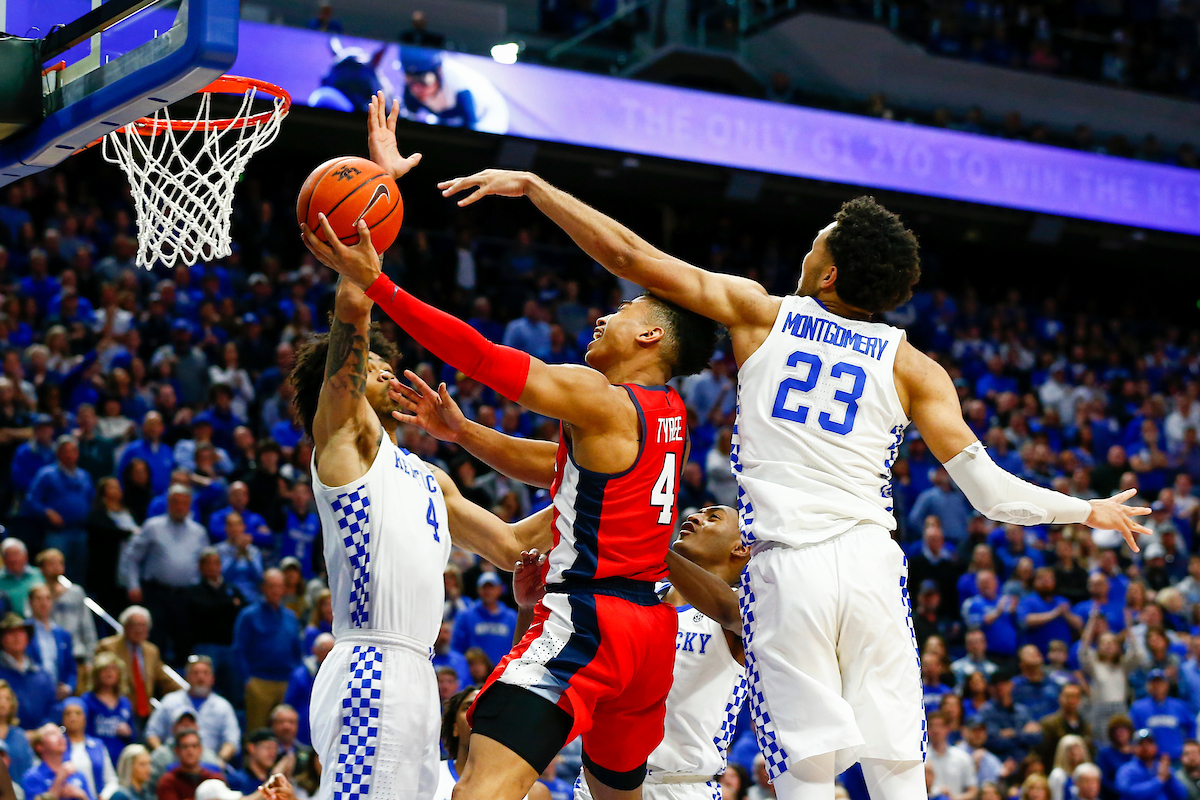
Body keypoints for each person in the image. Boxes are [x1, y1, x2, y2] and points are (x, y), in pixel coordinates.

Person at [433, 168, 1151, 800]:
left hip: (787, 566)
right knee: (897, 761)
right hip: (871, 561)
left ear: (828, 274)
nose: (806, 250)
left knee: (804, 768)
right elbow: (990, 494)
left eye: (816, 243)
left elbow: (630, 257)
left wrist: (537, 189)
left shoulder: (761, 313)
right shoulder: (914, 365)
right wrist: (1085, 510)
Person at [312, 94, 718, 800]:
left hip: (589, 621)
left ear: (652, 336)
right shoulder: (667, 417)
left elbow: (481, 357)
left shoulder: (600, 397)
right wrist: (464, 434)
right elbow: (562, 469)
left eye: (624, 310)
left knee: (479, 788)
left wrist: (380, 284)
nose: (604, 316)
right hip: (649, 636)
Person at [290, 137, 556, 800]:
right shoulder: (343, 444)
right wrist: (376, 192)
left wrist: (612, 483)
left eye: (387, 362)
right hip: (369, 662)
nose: (383, 368)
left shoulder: (427, 477)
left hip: (417, 673)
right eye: (370, 365)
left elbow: (511, 546)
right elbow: (353, 310)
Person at [568, 504, 750, 799]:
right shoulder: (634, 596)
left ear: (741, 548)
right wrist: (526, 609)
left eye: (713, 517)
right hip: (602, 781)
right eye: (698, 513)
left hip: (682, 786)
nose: (694, 517)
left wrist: (653, 546)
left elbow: (732, 614)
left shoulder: (747, 609)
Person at [121, 485, 209, 662]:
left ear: (190, 505)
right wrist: (133, 585)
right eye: (176, 502)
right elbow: (131, 558)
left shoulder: (199, 532)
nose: (180, 507)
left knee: (185, 645)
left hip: (186, 596)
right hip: (157, 594)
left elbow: (205, 564)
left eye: (184, 503)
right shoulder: (153, 526)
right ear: (168, 503)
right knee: (155, 644)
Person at [434, 687, 550, 800]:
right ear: (455, 728)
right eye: (468, 707)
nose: (478, 714)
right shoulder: (431, 774)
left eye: (488, 707)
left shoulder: (535, 793)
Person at [231, 571, 302, 733]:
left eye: (279, 586)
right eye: (271, 586)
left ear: (284, 588)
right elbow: (239, 649)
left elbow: (297, 649)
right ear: (263, 588)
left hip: (286, 681)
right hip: (259, 682)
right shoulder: (249, 615)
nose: (275, 590)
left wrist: (295, 676)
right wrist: (247, 680)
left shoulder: (291, 616)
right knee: (257, 733)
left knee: (287, 732)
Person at [94, 607, 186, 725]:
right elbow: (99, 677)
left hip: (145, 712)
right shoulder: (108, 647)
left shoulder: (151, 650)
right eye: (135, 625)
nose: (139, 629)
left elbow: (165, 679)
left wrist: (188, 693)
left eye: (143, 625)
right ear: (125, 626)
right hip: (117, 710)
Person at [144, 657, 239, 765]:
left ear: (213, 678)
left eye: (205, 673)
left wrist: (220, 760)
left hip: (208, 763)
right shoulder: (170, 701)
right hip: (172, 762)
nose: (200, 677)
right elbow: (152, 732)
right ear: (187, 677)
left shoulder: (223, 706)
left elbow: (232, 740)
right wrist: (162, 755)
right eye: (195, 673)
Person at [24, 436, 93, 582]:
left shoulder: (84, 475)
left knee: (80, 570)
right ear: (58, 453)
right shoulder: (47, 474)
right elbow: (31, 500)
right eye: (65, 451)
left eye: (73, 451)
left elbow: (91, 499)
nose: (69, 455)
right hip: (57, 533)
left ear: (78, 453)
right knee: (55, 571)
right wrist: (47, 512)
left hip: (80, 530)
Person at [182, 551, 245, 704]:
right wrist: (228, 604)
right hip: (205, 647)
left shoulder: (231, 588)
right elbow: (202, 610)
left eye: (216, 563)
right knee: (201, 688)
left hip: (229, 647)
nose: (213, 567)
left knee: (234, 692)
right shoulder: (194, 590)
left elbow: (241, 608)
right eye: (208, 563)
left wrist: (217, 607)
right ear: (201, 567)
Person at [36, 550, 97, 667]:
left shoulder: (76, 592)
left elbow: (87, 626)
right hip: (48, 655)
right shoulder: (37, 594)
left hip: (76, 654)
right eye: (51, 563)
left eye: (60, 563)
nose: (56, 566)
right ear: (41, 568)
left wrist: (90, 657)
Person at [0, 614, 55, 729]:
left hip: (42, 734)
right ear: (2, 639)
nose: (17, 637)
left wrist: (41, 731)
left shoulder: (41, 674)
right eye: (11, 632)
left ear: (27, 638)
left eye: (21, 632)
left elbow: (53, 707)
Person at [450, 574, 518, 667]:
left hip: (504, 671)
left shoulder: (512, 618)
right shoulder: (465, 616)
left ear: (500, 589)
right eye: (484, 588)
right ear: (478, 590)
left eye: (491, 588)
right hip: (473, 673)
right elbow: (457, 648)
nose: (488, 592)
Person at [81, 653, 134, 766]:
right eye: (104, 669)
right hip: (95, 758)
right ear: (96, 674)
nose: (109, 673)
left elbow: (133, 735)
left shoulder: (125, 702)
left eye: (113, 669)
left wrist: (128, 732)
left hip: (120, 759)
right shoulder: (87, 701)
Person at [1130, 671, 1194, 762]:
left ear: (1166, 685)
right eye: (1153, 683)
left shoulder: (1178, 706)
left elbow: (1192, 725)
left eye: (1160, 683)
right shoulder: (1138, 708)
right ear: (1148, 686)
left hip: (1176, 758)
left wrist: (1188, 745)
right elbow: (1132, 732)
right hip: (1150, 760)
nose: (1157, 686)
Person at [60, 699, 116, 800]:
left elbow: (111, 780)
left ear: (85, 717)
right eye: (68, 714)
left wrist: (105, 795)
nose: (73, 718)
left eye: (78, 713)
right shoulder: (58, 746)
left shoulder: (97, 745)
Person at [282, 634, 332, 749]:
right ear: (314, 650)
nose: (327, 653)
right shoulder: (300, 675)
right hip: (304, 727)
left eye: (331, 649)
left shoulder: (342, 673)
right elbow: (290, 703)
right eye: (323, 649)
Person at [25, 585, 73, 701]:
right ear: (30, 603)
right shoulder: (23, 632)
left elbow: (71, 668)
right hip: (32, 693)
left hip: (59, 694)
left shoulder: (63, 634)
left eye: (47, 598)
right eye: (39, 598)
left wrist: (68, 687)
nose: (44, 603)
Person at [22, 723, 94, 800]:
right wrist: (59, 780)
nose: (60, 736)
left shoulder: (77, 774)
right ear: (39, 747)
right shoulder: (33, 777)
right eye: (52, 734)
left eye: (60, 732)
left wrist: (82, 796)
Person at [1114, 729, 1187, 800]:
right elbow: (1127, 793)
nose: (1146, 747)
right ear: (1134, 747)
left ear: (1156, 746)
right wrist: (1159, 780)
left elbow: (1181, 795)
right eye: (1141, 744)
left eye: (1150, 743)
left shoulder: (1162, 768)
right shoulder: (1126, 770)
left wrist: (1169, 778)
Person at [155, 729, 223, 800]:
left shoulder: (215, 779)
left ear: (200, 749)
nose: (190, 751)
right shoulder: (168, 781)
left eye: (194, 746)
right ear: (177, 751)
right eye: (185, 747)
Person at [924, 712, 977, 800]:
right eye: (932, 726)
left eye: (940, 726)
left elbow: (973, 790)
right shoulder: (922, 758)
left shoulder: (962, 758)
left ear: (948, 728)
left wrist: (955, 798)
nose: (936, 730)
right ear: (927, 730)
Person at [0, 682, 33, 782]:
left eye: (7, 699)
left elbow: (27, 769)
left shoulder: (20, 736)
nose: (3, 703)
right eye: (0, 698)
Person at [226, 731, 276, 795]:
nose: (272, 753)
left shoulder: (273, 777)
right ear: (251, 748)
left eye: (275, 749)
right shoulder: (236, 779)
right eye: (268, 747)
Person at [0, 541, 42, 617]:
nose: (12, 559)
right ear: (3, 559)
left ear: (25, 556)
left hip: (36, 621)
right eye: (7, 555)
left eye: (16, 554)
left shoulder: (39, 574)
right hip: (7, 622)